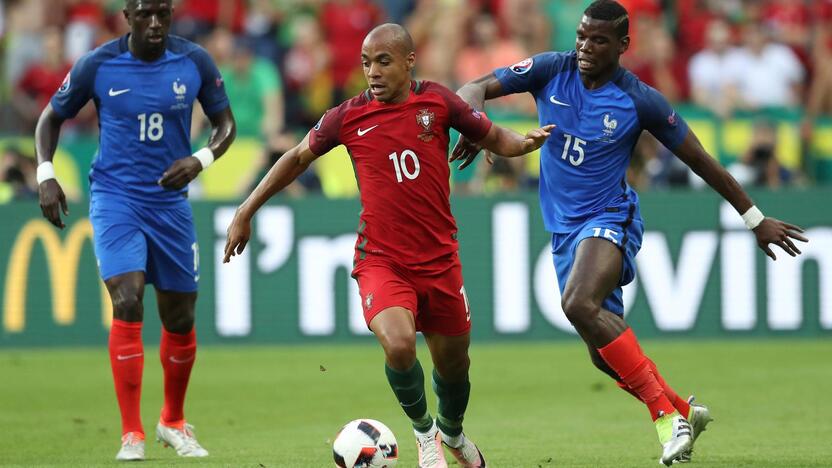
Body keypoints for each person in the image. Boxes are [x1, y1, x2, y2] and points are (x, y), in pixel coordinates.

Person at [453, 1, 808, 465]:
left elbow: (701, 161)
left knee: (578, 303)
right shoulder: (548, 70)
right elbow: (472, 86)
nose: (584, 47)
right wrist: (476, 126)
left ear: (622, 45)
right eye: (581, 36)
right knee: (604, 355)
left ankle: (666, 419)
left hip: (610, 215)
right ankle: (683, 409)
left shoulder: (640, 100)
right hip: (563, 229)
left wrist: (755, 219)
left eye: (597, 40)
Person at [224, 23, 552, 468]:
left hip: (440, 261)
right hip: (382, 260)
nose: (372, 72)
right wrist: (246, 210)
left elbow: (494, 137)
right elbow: (297, 156)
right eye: (365, 63)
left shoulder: (437, 101)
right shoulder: (347, 116)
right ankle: (425, 434)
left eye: (383, 61)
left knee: (455, 367)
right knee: (398, 346)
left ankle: (452, 433)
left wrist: (524, 144)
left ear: (408, 62)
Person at [34, 0, 236, 461]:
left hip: (170, 205)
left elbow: (225, 124)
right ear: (127, 16)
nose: (154, 23)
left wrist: (199, 159)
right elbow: (51, 117)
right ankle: (132, 433)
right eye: (144, 14)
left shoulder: (194, 61)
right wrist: (45, 172)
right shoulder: (98, 64)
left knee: (180, 317)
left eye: (162, 14)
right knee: (127, 297)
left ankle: (173, 421)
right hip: (116, 199)